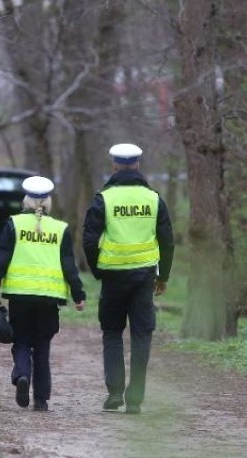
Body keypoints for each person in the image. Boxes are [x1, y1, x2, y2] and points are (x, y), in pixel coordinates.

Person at [82, 143, 174, 415]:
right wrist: (163, 276)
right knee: (141, 335)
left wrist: (98, 269)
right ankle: (135, 398)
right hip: (145, 277)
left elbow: (88, 239)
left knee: (112, 332)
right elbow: (167, 241)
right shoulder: (154, 199)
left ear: (114, 165)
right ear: (137, 165)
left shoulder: (104, 198)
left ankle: (114, 393)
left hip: (113, 277)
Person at [0, 176, 86, 412]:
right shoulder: (61, 229)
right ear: (48, 202)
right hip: (49, 299)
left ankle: (22, 375)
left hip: (20, 296)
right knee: (42, 346)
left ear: (26, 200)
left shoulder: (13, 224)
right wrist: (78, 294)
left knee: (21, 340)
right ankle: (41, 399)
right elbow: (69, 265)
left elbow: (1, 261)